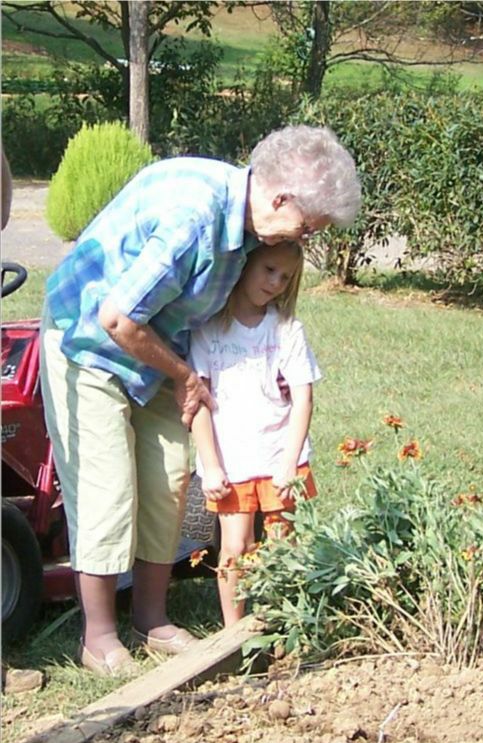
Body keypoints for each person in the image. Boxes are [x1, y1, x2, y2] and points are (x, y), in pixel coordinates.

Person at [39, 124, 361, 676]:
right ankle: (99, 638)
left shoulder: (251, 229)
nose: (302, 239)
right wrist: (187, 377)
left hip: (156, 351)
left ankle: (151, 618)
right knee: (107, 488)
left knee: (167, 480)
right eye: (306, 226)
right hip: (87, 342)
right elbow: (117, 317)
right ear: (280, 197)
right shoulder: (196, 219)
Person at [190, 240, 320, 626]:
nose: (276, 282)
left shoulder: (287, 329)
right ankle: (234, 631)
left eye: (285, 277)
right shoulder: (208, 330)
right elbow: (197, 401)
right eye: (269, 270)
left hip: (280, 454)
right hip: (232, 459)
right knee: (235, 546)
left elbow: (303, 398)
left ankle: (281, 623)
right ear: (244, 265)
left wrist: (289, 462)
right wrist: (210, 467)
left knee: (283, 544)